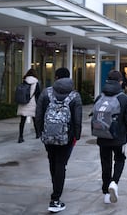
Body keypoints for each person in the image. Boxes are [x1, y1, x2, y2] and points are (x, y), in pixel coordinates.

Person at [35, 67, 82, 213]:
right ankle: (55, 199)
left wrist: (39, 132)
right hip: (66, 136)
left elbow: (38, 114)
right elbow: (77, 119)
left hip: (48, 135)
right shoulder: (74, 95)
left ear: (56, 77)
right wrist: (77, 135)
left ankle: (56, 185)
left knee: (52, 161)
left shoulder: (46, 92)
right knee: (61, 163)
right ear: (68, 77)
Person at [95, 70, 127, 204]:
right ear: (120, 82)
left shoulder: (100, 97)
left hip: (102, 137)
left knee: (105, 163)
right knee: (119, 159)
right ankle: (114, 183)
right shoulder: (124, 98)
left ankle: (106, 193)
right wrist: (124, 133)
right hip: (118, 137)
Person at [16, 68, 40, 143]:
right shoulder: (36, 82)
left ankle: (20, 137)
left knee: (22, 121)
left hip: (23, 102)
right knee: (34, 119)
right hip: (32, 102)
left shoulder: (24, 81)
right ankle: (37, 134)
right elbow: (38, 94)